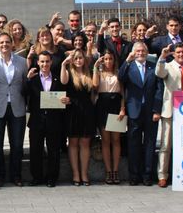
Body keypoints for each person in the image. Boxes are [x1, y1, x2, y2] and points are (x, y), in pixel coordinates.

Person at [118, 42, 164, 186]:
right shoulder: (129, 66)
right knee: (134, 144)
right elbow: (120, 77)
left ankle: (147, 175)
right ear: (133, 52)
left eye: (143, 51)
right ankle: (134, 175)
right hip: (134, 110)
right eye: (137, 51)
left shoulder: (153, 66)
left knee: (150, 144)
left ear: (147, 52)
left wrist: (157, 110)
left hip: (150, 111)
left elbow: (159, 89)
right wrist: (127, 60)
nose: (140, 53)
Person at [155, 42, 183, 187]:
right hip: (170, 110)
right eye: (178, 52)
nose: (181, 55)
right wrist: (162, 56)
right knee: (166, 144)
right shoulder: (167, 66)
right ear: (174, 54)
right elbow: (159, 73)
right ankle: (162, 175)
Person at [0, 33, 28, 187]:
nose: (4, 45)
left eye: (7, 42)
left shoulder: (23, 62)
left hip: (17, 107)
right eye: (1, 42)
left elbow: (26, 83)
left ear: (12, 44)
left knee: (17, 144)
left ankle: (16, 175)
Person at [26, 51, 68, 187]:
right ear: (38, 63)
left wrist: (66, 100)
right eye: (42, 61)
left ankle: (52, 178)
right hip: (37, 120)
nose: (45, 64)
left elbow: (65, 95)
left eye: (47, 61)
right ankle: (36, 177)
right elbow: (23, 94)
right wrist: (27, 79)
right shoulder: (32, 79)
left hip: (53, 120)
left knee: (53, 150)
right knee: (35, 150)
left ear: (51, 62)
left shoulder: (57, 79)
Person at [60, 50, 96, 186]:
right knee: (73, 143)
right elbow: (63, 81)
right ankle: (76, 174)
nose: (78, 60)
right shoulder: (69, 72)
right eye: (75, 58)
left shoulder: (89, 73)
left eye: (80, 58)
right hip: (72, 110)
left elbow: (94, 90)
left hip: (87, 111)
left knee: (85, 143)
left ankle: (84, 174)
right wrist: (64, 64)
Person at [92, 50, 125, 184]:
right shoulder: (99, 73)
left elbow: (123, 92)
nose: (108, 61)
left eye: (110, 59)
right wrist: (95, 66)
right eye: (105, 59)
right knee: (105, 140)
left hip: (116, 105)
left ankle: (115, 170)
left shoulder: (119, 73)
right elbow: (94, 86)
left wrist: (123, 108)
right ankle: (108, 171)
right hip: (103, 105)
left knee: (116, 140)